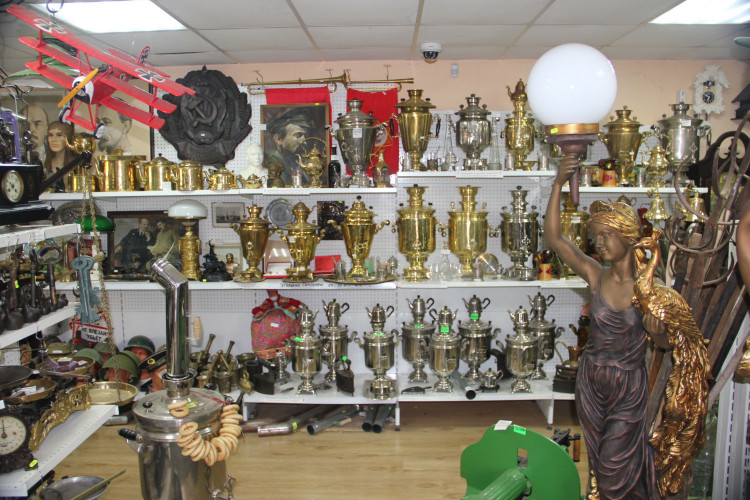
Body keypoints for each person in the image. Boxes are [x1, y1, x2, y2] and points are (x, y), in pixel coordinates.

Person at [545, 158, 666, 500]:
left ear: (628, 236)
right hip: (591, 381)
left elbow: (665, 342)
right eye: (595, 237)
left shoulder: (650, 287)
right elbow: (555, 238)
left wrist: (657, 331)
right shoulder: (596, 276)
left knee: (614, 466)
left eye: (606, 235)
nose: (599, 243)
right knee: (599, 465)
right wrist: (558, 184)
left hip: (627, 387)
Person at [264, 108, 312, 186]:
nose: (304, 142)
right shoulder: (272, 165)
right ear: (278, 139)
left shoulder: (301, 162)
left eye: (305, 136)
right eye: (298, 135)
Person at [44, 121, 76, 189]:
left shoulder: (77, 164)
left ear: (68, 138)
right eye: (50, 135)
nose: (54, 139)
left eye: (59, 135)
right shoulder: (45, 165)